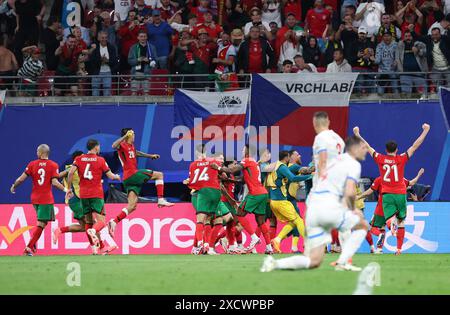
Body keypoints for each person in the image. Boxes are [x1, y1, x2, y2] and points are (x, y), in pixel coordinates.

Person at [261, 136, 370, 272]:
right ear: (354, 148)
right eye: (363, 147)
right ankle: (344, 261)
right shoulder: (352, 164)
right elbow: (348, 190)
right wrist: (353, 208)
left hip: (314, 208)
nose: (365, 150)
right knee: (361, 225)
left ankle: (274, 264)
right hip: (328, 207)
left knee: (314, 260)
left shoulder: (325, 163)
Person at [353, 123, 431, 255]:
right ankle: (399, 249)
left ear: (386, 150)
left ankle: (391, 224)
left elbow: (367, 147)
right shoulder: (401, 158)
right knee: (401, 221)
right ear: (396, 150)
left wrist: (357, 134)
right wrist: (425, 131)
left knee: (388, 218)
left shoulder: (380, 158)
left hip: (387, 194)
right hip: (401, 193)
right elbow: (415, 146)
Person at [108, 128, 174, 237]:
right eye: (132, 134)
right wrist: (125, 136)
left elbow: (136, 153)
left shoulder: (131, 147)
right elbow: (113, 146)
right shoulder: (122, 145)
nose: (134, 135)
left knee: (132, 206)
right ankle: (161, 199)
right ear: (128, 135)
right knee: (159, 175)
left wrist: (150, 156)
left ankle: (114, 221)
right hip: (132, 174)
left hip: (128, 180)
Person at [211, 145, 274, 254]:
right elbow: (244, 179)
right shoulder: (254, 162)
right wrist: (231, 180)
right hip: (263, 193)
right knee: (261, 221)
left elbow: (232, 169)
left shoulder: (247, 160)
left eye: (243, 149)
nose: (242, 150)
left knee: (239, 214)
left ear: (247, 151)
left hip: (255, 194)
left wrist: (218, 168)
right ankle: (269, 247)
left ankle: (254, 238)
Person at [10, 144, 70, 256]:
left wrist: (14, 185)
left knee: (41, 223)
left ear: (42, 152)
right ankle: (29, 247)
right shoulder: (53, 165)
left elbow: (21, 179)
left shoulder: (32, 164)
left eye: (37, 151)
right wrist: (66, 190)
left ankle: (32, 245)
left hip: (34, 198)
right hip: (45, 199)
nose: (36, 153)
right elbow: (55, 182)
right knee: (41, 224)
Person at [65, 139, 121, 250]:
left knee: (89, 221)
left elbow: (70, 172)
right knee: (101, 221)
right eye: (99, 146)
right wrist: (117, 176)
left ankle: (95, 247)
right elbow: (110, 176)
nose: (99, 148)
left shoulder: (79, 159)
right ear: (96, 147)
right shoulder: (100, 160)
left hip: (84, 195)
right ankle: (94, 231)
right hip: (96, 194)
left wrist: (69, 188)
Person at [358, 168, 425, 254]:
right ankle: (397, 249)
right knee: (401, 223)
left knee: (376, 228)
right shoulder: (400, 179)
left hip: (383, 205)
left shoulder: (380, 179)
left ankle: (382, 238)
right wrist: (419, 175)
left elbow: (369, 191)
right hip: (399, 203)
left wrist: (359, 197)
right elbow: (411, 183)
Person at [267, 150, 311, 253]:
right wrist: (310, 176)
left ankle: (277, 240)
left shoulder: (274, 166)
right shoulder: (282, 167)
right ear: (286, 157)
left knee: (293, 222)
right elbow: (293, 178)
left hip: (274, 201)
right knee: (299, 221)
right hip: (281, 201)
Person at [396, 30, 428, 98]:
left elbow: (425, 53)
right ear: (403, 38)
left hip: (418, 74)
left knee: (423, 94)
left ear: (412, 37)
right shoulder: (400, 45)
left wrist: (418, 50)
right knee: (406, 96)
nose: (408, 38)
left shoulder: (419, 44)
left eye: (409, 36)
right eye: (406, 36)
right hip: (405, 74)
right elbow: (397, 59)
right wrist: (400, 71)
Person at [13, 0, 44, 65]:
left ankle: (34, 65)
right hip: (22, 27)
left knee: (33, 46)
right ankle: (20, 65)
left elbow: (43, 7)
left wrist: (40, 15)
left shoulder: (34, 2)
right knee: (17, 46)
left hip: (33, 27)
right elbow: (17, 14)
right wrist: (17, 25)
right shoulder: (17, 3)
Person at [128, 30, 158, 95]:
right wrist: (138, 60)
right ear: (138, 37)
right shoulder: (133, 48)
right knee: (134, 93)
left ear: (147, 37)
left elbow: (156, 61)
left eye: (144, 36)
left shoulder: (152, 48)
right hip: (135, 72)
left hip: (147, 73)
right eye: (141, 36)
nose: (143, 38)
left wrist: (149, 61)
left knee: (146, 93)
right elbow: (129, 61)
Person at [89, 31, 119, 96]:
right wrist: (101, 60)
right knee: (95, 92)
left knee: (107, 93)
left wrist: (107, 61)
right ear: (98, 38)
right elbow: (91, 61)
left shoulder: (112, 48)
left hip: (108, 73)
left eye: (106, 38)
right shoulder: (94, 48)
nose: (104, 39)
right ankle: (95, 106)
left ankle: (107, 106)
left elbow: (115, 61)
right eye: (102, 38)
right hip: (96, 73)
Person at [374, 30, 398, 96]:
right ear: (382, 37)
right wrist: (373, 59)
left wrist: (396, 61)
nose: (386, 38)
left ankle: (397, 104)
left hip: (393, 71)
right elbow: (378, 60)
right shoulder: (379, 46)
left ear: (391, 37)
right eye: (385, 36)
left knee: (395, 90)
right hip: (382, 71)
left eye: (388, 36)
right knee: (380, 92)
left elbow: (398, 57)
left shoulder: (396, 45)